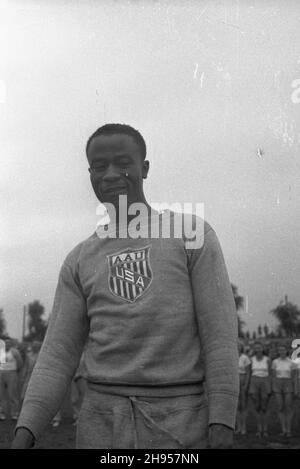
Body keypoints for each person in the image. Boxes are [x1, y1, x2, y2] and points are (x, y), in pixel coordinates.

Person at [12, 123, 238, 449]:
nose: (111, 175)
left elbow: (220, 338)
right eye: (99, 166)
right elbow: (56, 356)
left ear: (144, 168)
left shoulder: (191, 233)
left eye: (123, 163)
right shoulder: (79, 258)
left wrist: (222, 425)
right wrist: (24, 433)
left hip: (180, 421)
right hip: (100, 424)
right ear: (89, 173)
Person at [271, 344, 296, 437]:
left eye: (283, 350)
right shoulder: (275, 362)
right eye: (280, 350)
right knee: (280, 407)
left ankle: (289, 430)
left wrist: (295, 388)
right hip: (277, 384)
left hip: (288, 383)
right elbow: (273, 376)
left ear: (287, 351)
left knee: (288, 407)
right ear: (278, 352)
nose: (282, 352)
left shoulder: (291, 362)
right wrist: (273, 387)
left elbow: (294, 377)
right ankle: (283, 429)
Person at [249, 342, 272, 438]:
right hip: (254, 381)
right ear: (254, 349)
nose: (258, 349)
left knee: (265, 407)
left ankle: (265, 430)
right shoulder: (251, 359)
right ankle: (259, 429)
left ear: (263, 348)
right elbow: (249, 373)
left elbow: (271, 373)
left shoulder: (268, 359)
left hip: (265, 381)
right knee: (257, 407)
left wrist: (270, 386)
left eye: (259, 347)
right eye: (256, 347)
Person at [0, 339, 23, 420]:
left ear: (11, 344)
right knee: (1, 394)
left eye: (8, 343)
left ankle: (15, 413)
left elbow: (20, 362)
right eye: (5, 343)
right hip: (1, 373)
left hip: (12, 373)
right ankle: (1, 413)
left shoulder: (15, 352)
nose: (7, 344)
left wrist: (16, 371)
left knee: (12, 394)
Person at [236, 343, 251, 435]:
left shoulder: (245, 358)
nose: (238, 347)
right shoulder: (231, 357)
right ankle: (238, 427)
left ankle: (244, 427)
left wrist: (246, 384)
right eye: (236, 346)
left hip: (242, 381)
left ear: (242, 348)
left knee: (243, 406)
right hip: (234, 382)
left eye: (239, 346)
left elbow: (248, 372)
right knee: (236, 406)